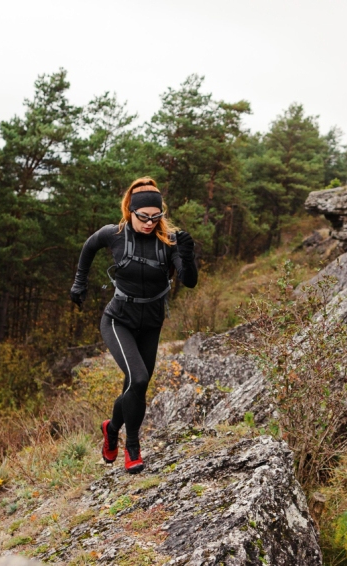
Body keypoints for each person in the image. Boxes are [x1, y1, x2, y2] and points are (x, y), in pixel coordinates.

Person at [69, 177, 197, 473]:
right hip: (118, 320)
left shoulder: (170, 242)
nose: (150, 223)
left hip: (151, 323)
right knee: (138, 380)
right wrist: (79, 283)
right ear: (130, 211)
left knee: (134, 385)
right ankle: (133, 447)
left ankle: (111, 429)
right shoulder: (114, 234)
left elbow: (189, 281)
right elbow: (88, 247)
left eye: (156, 217)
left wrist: (187, 257)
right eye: (144, 217)